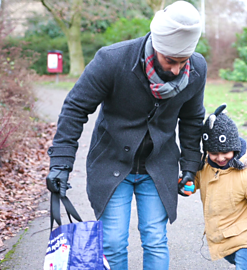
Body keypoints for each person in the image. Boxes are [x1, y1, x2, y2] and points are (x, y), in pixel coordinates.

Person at [44, 2, 206, 269]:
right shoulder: (113, 60)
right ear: (156, 45)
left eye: (183, 62)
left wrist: (190, 166)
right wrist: (61, 163)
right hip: (112, 163)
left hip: (158, 166)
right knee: (113, 243)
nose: (177, 71)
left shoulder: (197, 69)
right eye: (171, 61)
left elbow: (192, 119)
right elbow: (75, 108)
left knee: (155, 240)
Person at [190, 104, 247, 270]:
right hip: (222, 230)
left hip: (243, 231)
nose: (220, 157)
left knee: (242, 265)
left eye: (225, 152)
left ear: (234, 147)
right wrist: (190, 184)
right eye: (213, 153)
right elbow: (197, 179)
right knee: (229, 256)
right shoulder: (206, 167)